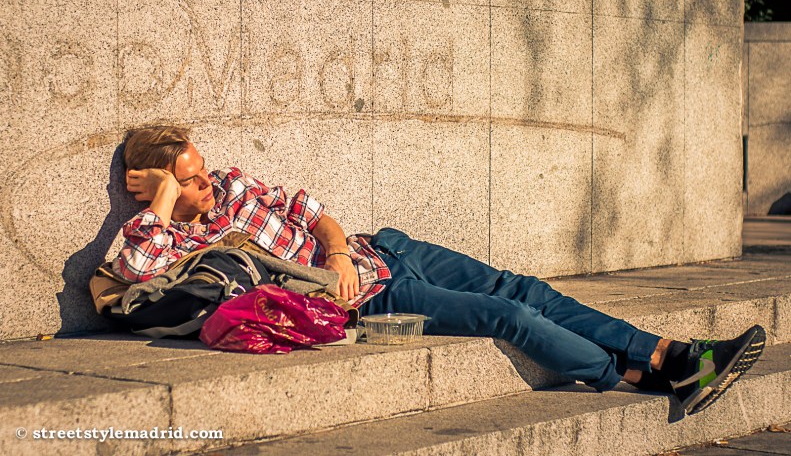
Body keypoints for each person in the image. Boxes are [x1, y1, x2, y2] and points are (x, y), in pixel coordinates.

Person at [115, 125, 765, 416]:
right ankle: (638, 374)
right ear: (151, 185)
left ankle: (671, 353)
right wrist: (166, 201)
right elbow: (133, 269)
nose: (206, 181)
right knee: (508, 316)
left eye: (201, 170)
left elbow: (314, 214)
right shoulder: (171, 242)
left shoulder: (232, 183)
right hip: (369, 296)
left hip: (382, 248)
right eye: (189, 179)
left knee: (523, 287)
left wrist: (338, 249)